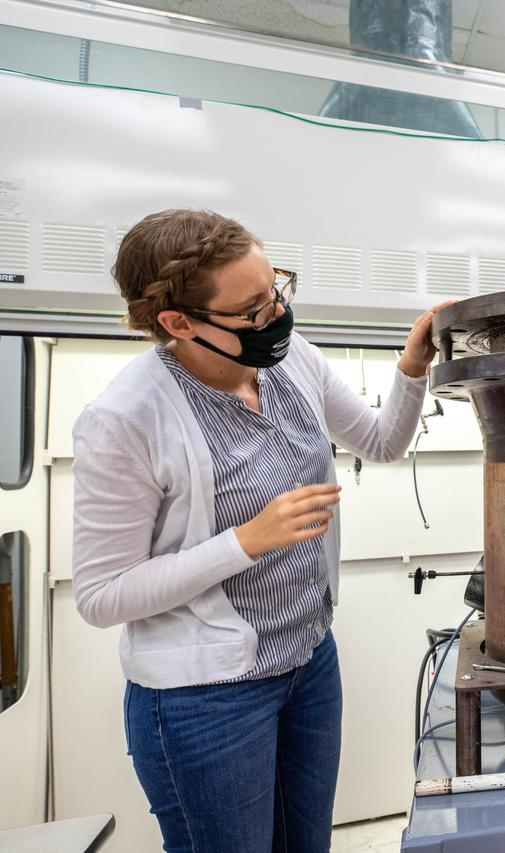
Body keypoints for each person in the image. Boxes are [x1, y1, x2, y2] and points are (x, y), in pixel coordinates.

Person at [71, 209, 449, 852]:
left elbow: (381, 443)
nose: (275, 314)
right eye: (251, 310)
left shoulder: (290, 359)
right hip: (203, 700)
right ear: (178, 323)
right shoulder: (123, 419)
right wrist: (245, 541)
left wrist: (411, 367)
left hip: (307, 661)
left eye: (276, 289)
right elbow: (101, 595)